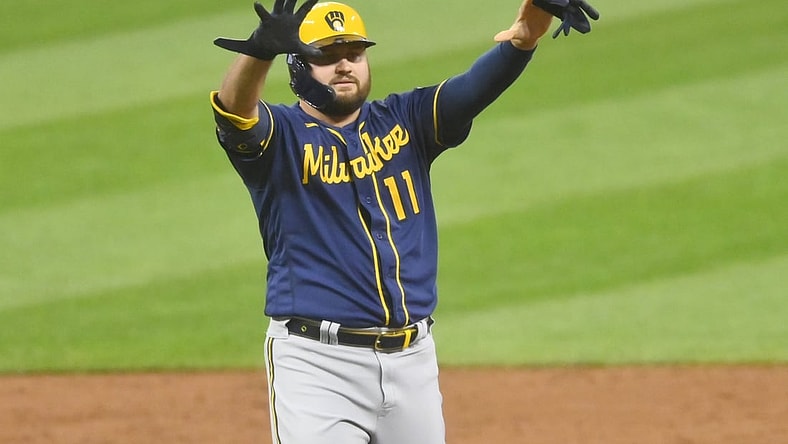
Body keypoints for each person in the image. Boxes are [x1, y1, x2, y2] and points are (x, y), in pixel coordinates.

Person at [209, 0, 596, 442]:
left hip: (413, 361)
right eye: (327, 58)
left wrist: (526, 36)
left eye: (354, 55)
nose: (344, 67)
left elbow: (474, 88)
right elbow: (235, 113)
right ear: (298, 67)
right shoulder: (280, 137)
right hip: (317, 363)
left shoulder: (406, 120)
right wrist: (260, 52)